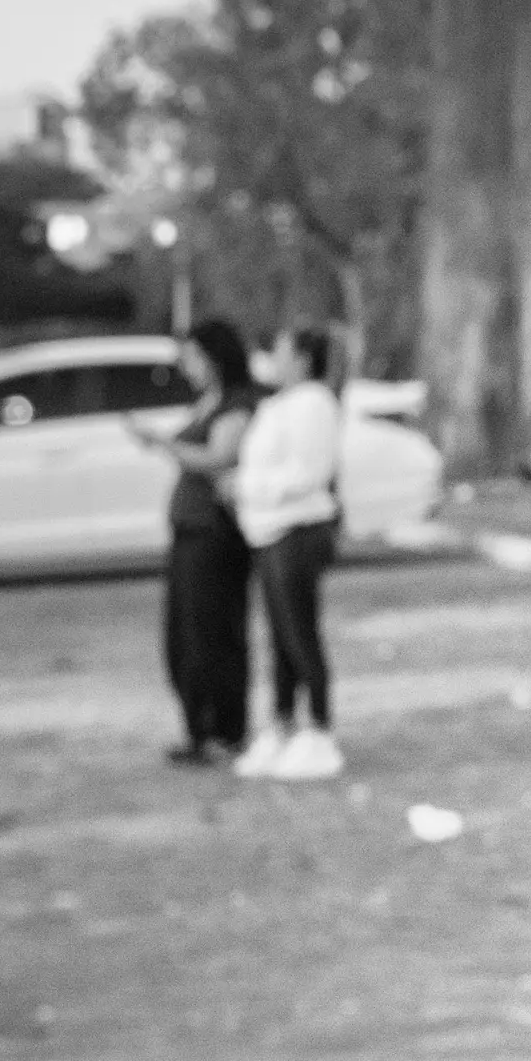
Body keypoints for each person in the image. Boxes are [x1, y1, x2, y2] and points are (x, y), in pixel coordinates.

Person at [126, 319, 260, 766]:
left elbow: (220, 457)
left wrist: (163, 443)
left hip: (215, 534)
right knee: (183, 636)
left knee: (214, 632)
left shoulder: (237, 404)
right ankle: (198, 727)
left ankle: (224, 729)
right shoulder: (209, 402)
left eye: (192, 358)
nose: (187, 367)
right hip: (188, 531)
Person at [232, 324, 345, 781]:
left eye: (279, 352)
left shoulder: (315, 403)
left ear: (301, 360)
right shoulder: (280, 403)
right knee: (280, 637)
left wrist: (247, 488)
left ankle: (319, 727)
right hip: (268, 530)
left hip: (296, 531)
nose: (271, 360)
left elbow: (308, 472)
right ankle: (281, 724)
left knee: (300, 634)